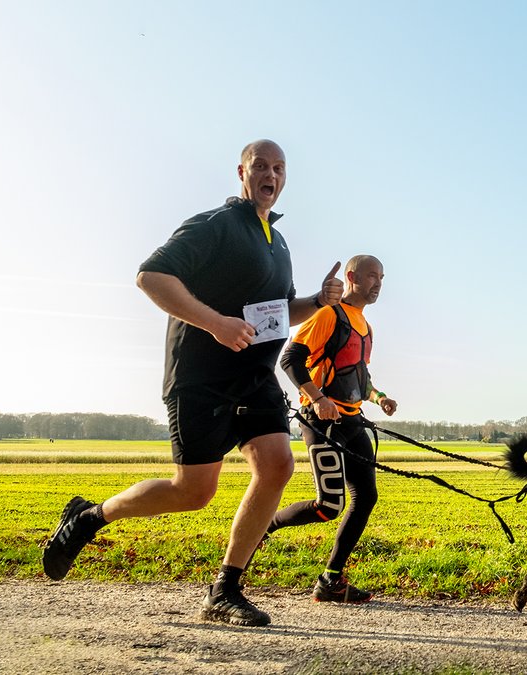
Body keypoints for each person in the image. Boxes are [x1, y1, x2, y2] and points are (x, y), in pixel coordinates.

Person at [41, 140, 343, 627]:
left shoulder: (277, 242)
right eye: (261, 166)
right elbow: (152, 276)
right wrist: (214, 323)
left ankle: (224, 589)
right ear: (241, 173)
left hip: (254, 378)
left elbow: (277, 315)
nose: (271, 174)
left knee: (277, 464)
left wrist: (317, 300)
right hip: (199, 377)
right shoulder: (216, 225)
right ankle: (91, 516)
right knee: (193, 491)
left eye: (279, 168)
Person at [261, 254, 397, 603]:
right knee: (329, 506)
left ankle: (331, 580)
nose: (378, 283)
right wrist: (318, 398)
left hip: (353, 421)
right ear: (351, 276)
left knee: (365, 498)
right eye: (371, 276)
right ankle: (266, 524)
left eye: (381, 277)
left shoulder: (365, 326)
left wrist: (379, 397)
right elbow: (290, 359)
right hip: (321, 422)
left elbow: (357, 376)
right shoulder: (328, 314)